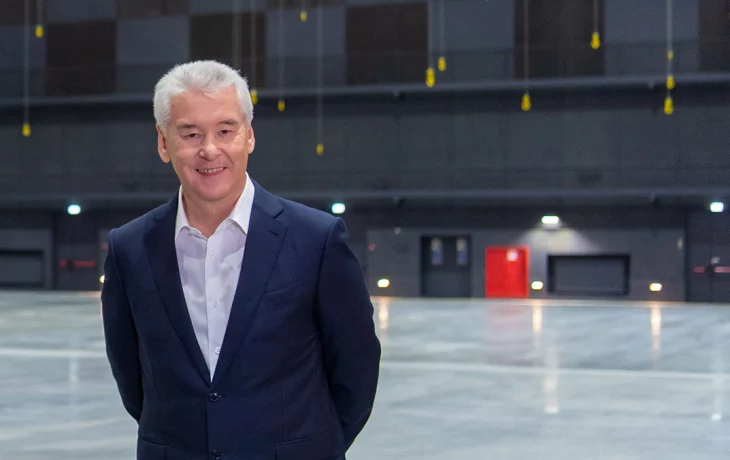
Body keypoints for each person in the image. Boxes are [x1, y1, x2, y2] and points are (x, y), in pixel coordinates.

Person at [101, 60, 381, 460]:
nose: (209, 149)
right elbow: (130, 377)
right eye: (190, 134)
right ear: (163, 143)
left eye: (225, 131)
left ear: (249, 136)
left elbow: (356, 368)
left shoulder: (316, 239)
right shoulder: (130, 248)